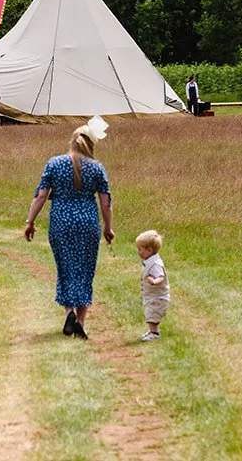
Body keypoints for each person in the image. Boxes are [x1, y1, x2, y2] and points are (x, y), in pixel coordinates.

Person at [23, 125, 114, 339]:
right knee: (85, 269)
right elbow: (106, 202)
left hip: (61, 222)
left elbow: (40, 196)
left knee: (65, 268)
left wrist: (30, 221)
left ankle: (69, 313)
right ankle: (81, 321)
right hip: (87, 222)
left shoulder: (54, 163)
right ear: (90, 144)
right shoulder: (96, 167)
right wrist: (108, 227)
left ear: (71, 141)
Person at [136, 230, 169, 341]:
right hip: (153, 296)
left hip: (158, 297)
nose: (138, 252)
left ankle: (154, 333)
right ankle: (152, 331)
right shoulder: (149, 260)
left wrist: (154, 281)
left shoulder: (155, 264)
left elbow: (161, 276)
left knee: (152, 314)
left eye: (140, 249)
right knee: (150, 312)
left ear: (149, 250)